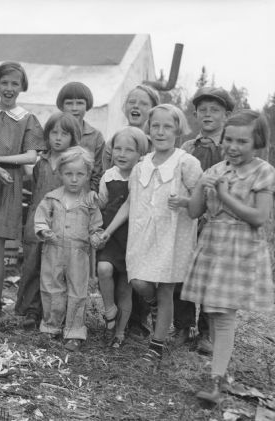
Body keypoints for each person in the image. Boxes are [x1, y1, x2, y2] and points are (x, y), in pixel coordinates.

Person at [182, 110, 275, 403]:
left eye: (242, 141)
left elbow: (259, 217)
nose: (233, 147)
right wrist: (201, 187)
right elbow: (195, 211)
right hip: (214, 244)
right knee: (215, 312)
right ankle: (216, 376)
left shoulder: (262, 171)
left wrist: (224, 196)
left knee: (223, 316)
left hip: (240, 248)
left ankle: (216, 381)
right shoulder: (216, 170)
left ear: (257, 141)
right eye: (229, 140)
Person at [103, 104, 202, 368]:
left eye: (167, 126)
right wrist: (109, 230)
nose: (160, 132)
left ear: (178, 130)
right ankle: (154, 305)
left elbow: (201, 199)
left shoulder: (186, 162)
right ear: (149, 129)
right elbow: (129, 203)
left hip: (171, 237)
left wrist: (183, 201)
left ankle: (156, 347)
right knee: (139, 282)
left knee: (166, 290)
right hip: (141, 235)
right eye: (155, 126)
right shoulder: (140, 166)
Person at [0, 61, 45, 323]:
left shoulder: (27, 119)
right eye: (4, 83)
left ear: (22, 87)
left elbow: (31, 156)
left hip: (8, 186)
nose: (9, 88)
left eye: (15, 83)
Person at [172, 87, 234, 353]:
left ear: (226, 115)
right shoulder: (187, 147)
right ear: (195, 114)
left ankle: (207, 332)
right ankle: (183, 326)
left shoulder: (231, 148)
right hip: (188, 218)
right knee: (181, 272)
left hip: (217, 221)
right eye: (203, 110)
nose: (208, 115)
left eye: (215, 110)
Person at [103, 84, 160, 341]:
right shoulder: (117, 140)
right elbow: (107, 179)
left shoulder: (156, 144)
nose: (136, 107)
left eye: (143, 103)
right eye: (132, 102)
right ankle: (118, 322)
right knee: (116, 273)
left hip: (141, 224)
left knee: (138, 274)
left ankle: (138, 321)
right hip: (115, 223)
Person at [15, 112, 82, 329]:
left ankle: (53, 313)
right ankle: (30, 310)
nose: (58, 138)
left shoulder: (74, 164)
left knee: (54, 268)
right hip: (37, 220)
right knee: (32, 264)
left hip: (62, 221)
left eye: (64, 134)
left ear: (73, 138)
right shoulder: (40, 163)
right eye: (54, 132)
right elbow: (35, 190)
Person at [34, 147, 103, 351]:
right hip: (53, 250)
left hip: (78, 253)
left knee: (77, 291)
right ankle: (50, 326)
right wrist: (44, 231)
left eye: (80, 174)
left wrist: (96, 236)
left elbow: (96, 226)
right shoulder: (51, 198)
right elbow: (40, 219)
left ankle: (74, 331)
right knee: (51, 286)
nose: (74, 179)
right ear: (60, 173)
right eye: (69, 174)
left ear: (88, 174)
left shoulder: (90, 201)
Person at [96, 127, 148, 348]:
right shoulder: (108, 176)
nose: (122, 154)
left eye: (129, 150)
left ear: (140, 154)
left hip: (133, 237)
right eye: (118, 148)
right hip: (111, 235)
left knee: (125, 289)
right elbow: (102, 203)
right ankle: (110, 310)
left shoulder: (143, 176)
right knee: (104, 269)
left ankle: (119, 333)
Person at [56, 81, 105, 192]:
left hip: (82, 198)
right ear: (61, 106)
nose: (74, 108)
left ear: (87, 105)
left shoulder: (95, 137)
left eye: (79, 103)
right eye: (69, 103)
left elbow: (98, 173)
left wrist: (90, 197)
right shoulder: (53, 133)